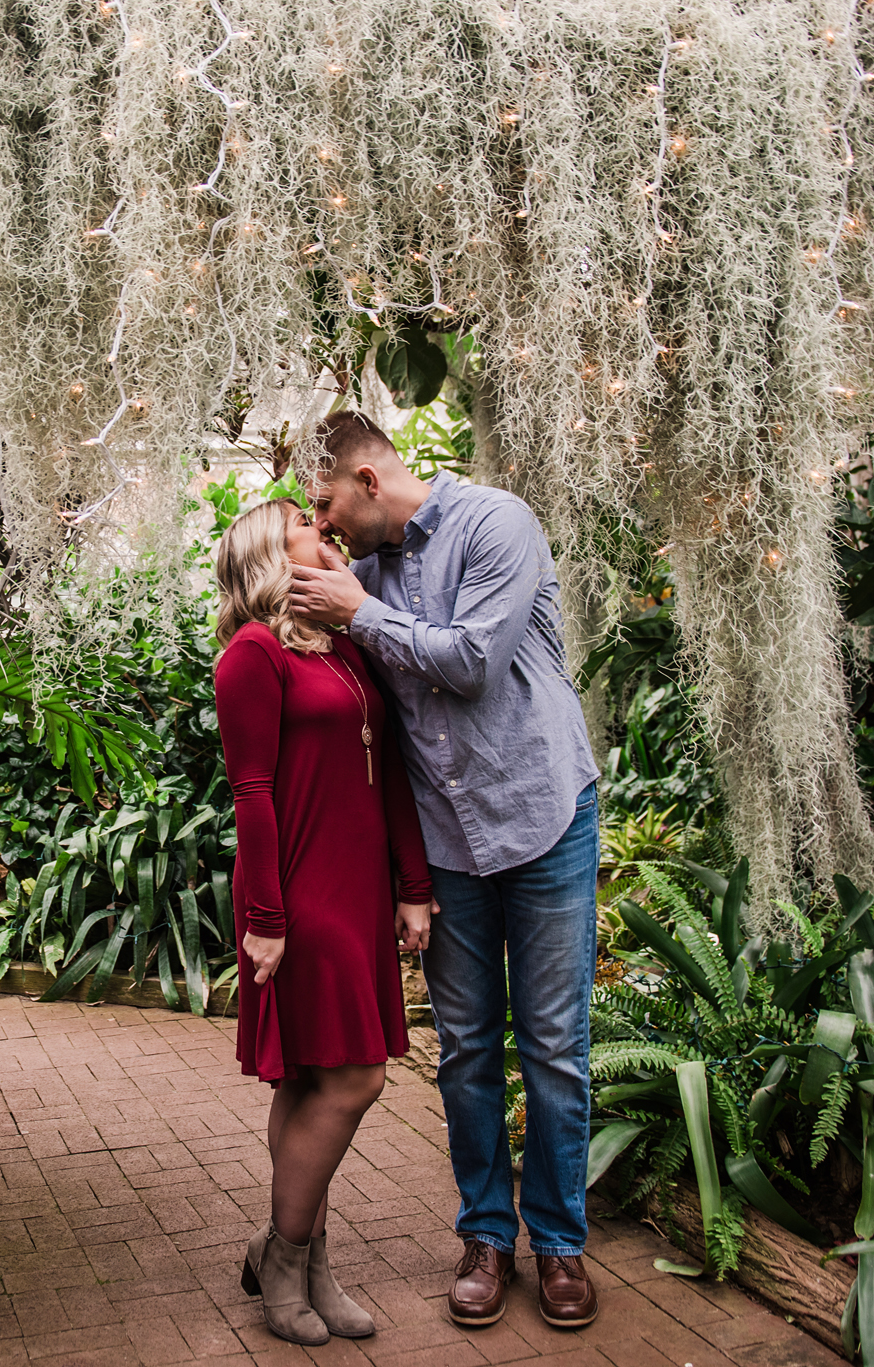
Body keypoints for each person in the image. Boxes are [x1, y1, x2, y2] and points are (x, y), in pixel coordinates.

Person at [285, 411, 604, 1331]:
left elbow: (471, 662)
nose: (327, 522)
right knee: (465, 1049)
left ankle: (560, 1244)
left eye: (328, 500)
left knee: (552, 1046)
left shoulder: (497, 523)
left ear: (369, 480)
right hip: (449, 844)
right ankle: (485, 1238)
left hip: (545, 819)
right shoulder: (364, 573)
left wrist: (361, 612)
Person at [211, 498, 435, 1347]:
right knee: (353, 1079)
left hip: (358, 889)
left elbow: (397, 769)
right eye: (306, 522)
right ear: (274, 552)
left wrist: (412, 885)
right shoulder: (253, 655)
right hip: (297, 894)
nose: (325, 526)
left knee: (313, 1082)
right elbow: (253, 794)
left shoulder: (347, 648)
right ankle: (285, 1256)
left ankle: (303, 1259)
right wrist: (265, 917)